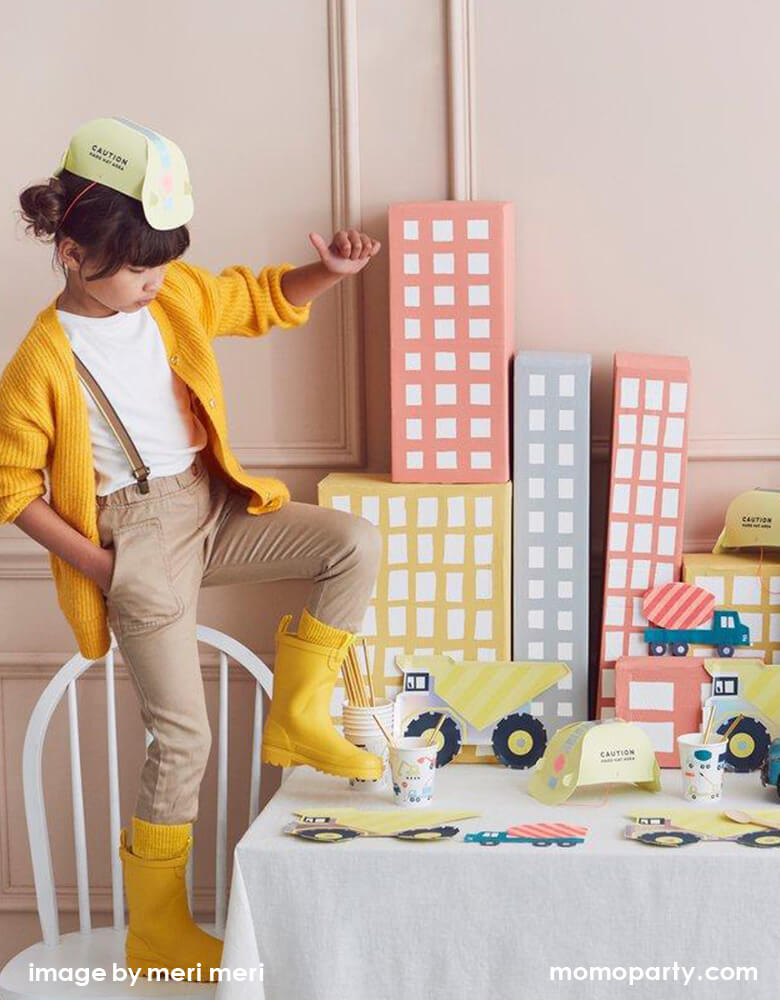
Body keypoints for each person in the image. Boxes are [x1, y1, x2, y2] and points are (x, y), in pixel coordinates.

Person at [1, 116, 384, 980]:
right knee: (184, 742)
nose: (155, 281)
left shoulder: (171, 300)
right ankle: (158, 933)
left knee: (352, 543)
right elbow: (11, 485)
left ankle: (299, 714)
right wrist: (104, 568)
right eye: (138, 266)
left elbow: (253, 297)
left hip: (212, 509)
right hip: (133, 536)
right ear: (71, 252)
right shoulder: (42, 360)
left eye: (162, 261)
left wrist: (328, 271)